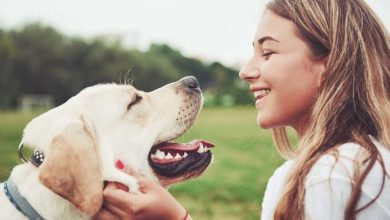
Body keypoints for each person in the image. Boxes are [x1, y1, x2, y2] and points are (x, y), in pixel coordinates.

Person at [93, 0, 390, 219]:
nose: (246, 71)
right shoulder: (315, 170)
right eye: (253, 53)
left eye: (268, 52)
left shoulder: (334, 174)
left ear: (332, 62)